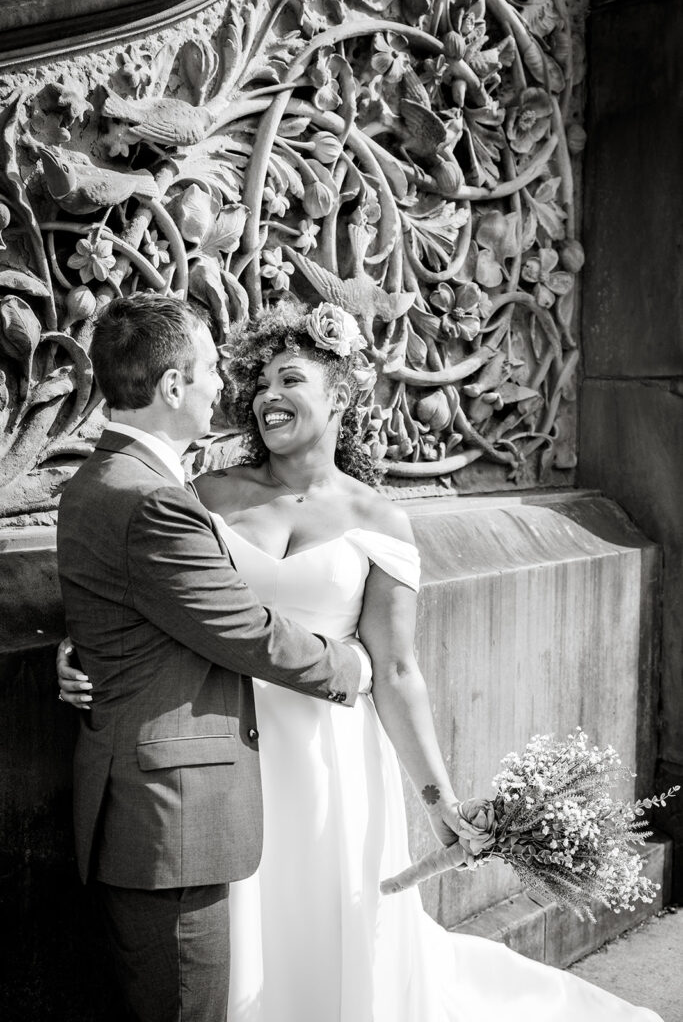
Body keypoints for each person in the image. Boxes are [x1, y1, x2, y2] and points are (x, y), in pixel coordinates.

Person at [59, 299, 663, 1022]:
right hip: (220, 751)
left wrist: (440, 801)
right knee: (234, 950)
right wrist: (85, 648)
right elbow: (154, 588)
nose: (264, 396)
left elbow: (397, 669)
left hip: (328, 757)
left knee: (327, 938)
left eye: (290, 380)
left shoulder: (380, 521)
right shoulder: (202, 495)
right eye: (257, 382)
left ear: (341, 394)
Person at [56, 293, 389, 1022]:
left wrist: (82, 647)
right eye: (212, 369)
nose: (226, 388)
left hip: (165, 791)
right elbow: (239, 627)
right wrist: (353, 669)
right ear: (173, 386)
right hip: (172, 812)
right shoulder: (154, 499)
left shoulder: (104, 479)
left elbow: (131, 599)